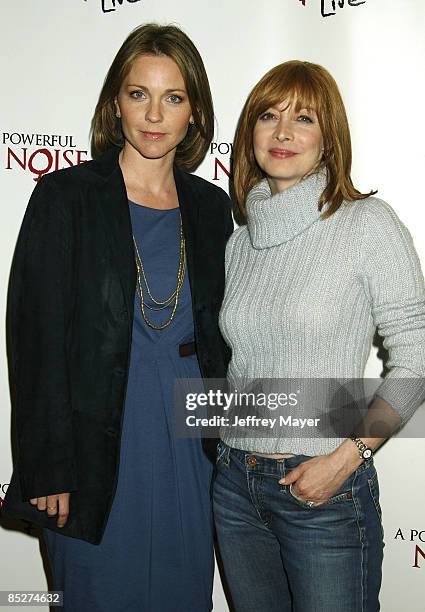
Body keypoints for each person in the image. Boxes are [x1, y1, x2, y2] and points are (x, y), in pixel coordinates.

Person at [1, 23, 233, 612]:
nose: (154, 115)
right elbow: (35, 340)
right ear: (115, 103)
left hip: (190, 444)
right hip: (91, 448)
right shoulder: (65, 197)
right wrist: (45, 465)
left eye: (173, 97)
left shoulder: (212, 208)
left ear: (193, 112)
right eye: (139, 94)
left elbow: (225, 339)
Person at [213, 60, 425, 611]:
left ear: (329, 138)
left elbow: (418, 357)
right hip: (235, 484)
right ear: (249, 134)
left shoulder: (366, 224)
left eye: (303, 118)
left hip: (325, 490)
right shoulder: (238, 244)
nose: (283, 133)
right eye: (269, 115)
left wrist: (348, 457)